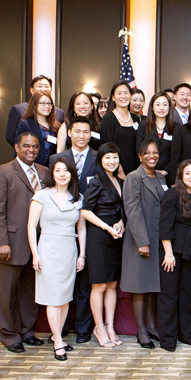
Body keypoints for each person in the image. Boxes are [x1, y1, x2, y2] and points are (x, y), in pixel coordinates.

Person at [0, 132, 49, 353]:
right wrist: (1, 241)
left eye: (35, 146)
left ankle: (27, 331)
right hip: (11, 244)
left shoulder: (44, 172)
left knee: (30, 290)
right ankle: (9, 334)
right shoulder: (2, 171)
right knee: (8, 291)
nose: (31, 150)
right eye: (26, 146)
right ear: (16, 147)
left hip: (38, 244)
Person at [27, 157, 87, 361]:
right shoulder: (42, 195)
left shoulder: (76, 197)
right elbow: (31, 226)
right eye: (58, 170)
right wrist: (35, 253)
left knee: (64, 296)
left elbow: (81, 228)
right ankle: (59, 340)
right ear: (52, 174)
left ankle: (57, 335)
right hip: (48, 248)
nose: (62, 174)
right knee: (53, 297)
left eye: (66, 170)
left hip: (69, 248)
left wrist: (82, 254)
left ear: (71, 174)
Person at [48, 117, 98, 343]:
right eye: (77, 131)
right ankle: (61, 329)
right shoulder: (57, 159)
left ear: (91, 134)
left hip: (91, 223)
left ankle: (83, 328)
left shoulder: (99, 158)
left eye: (85, 132)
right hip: (62, 226)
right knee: (63, 279)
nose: (81, 136)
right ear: (69, 133)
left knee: (85, 280)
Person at [121, 139, 166, 349]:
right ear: (140, 156)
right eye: (147, 153)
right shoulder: (133, 177)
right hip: (141, 241)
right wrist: (142, 242)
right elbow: (132, 210)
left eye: (155, 152)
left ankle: (150, 325)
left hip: (158, 240)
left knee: (151, 286)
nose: (152, 156)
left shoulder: (159, 177)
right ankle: (141, 330)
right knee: (140, 287)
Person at [80, 143, 125, 348]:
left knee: (113, 284)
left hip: (117, 237)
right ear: (100, 161)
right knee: (98, 286)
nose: (112, 161)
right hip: (99, 237)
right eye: (107, 158)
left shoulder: (121, 182)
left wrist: (121, 223)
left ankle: (110, 325)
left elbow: (123, 209)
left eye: (115, 157)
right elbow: (85, 211)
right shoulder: (96, 182)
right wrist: (107, 227)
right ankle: (98, 327)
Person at [157, 160, 191, 351]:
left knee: (187, 294)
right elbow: (164, 226)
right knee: (169, 294)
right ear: (181, 177)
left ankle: (186, 334)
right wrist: (168, 253)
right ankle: (168, 339)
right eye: (187, 173)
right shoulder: (172, 194)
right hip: (172, 251)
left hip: (190, 251)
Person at [5, 75, 64, 148]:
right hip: (28, 155)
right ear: (32, 90)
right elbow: (11, 136)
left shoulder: (59, 112)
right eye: (39, 86)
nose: (43, 89)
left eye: (46, 86)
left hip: (51, 156)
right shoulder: (18, 109)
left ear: (51, 90)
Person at [100, 81, 141, 176]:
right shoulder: (108, 119)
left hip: (136, 169)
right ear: (113, 97)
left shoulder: (135, 119)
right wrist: (119, 170)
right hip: (116, 169)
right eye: (119, 93)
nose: (123, 96)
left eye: (126, 93)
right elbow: (108, 148)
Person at [137, 92, 177, 181]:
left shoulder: (176, 128)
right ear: (152, 108)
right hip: (146, 174)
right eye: (158, 104)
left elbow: (176, 154)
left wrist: (166, 171)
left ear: (169, 108)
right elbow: (139, 148)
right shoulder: (144, 125)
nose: (161, 108)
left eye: (165, 104)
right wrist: (149, 169)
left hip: (168, 176)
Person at [15, 91, 61, 167]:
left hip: (50, 167)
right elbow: (19, 146)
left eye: (49, 103)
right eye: (43, 103)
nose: (47, 106)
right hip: (30, 165)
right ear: (35, 105)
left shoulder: (56, 126)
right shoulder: (25, 124)